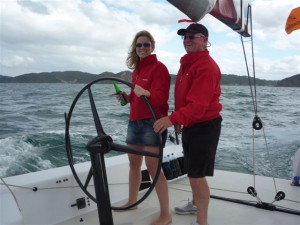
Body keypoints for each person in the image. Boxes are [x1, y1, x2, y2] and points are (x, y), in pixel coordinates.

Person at [153, 23, 222, 225]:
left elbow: (199, 106)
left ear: (204, 39)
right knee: (193, 171)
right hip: (192, 124)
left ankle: (202, 222)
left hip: (205, 126)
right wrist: (179, 122)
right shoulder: (187, 64)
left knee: (197, 176)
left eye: (192, 37)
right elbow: (185, 99)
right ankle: (194, 203)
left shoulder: (206, 67)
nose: (187, 40)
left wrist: (170, 119)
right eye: (185, 37)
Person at [116, 30, 172, 225]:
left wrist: (145, 92)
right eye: (139, 45)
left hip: (153, 123)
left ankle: (165, 214)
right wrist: (126, 97)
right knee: (133, 164)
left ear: (152, 46)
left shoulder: (160, 68)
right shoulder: (136, 71)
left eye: (146, 44)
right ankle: (133, 202)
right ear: (135, 48)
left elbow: (160, 98)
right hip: (134, 122)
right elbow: (136, 98)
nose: (142, 48)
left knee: (153, 167)